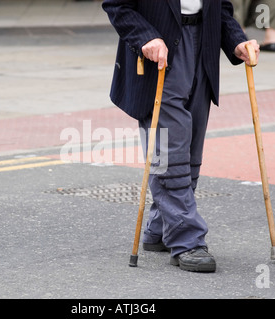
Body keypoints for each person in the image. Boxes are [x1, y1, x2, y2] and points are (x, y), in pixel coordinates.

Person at [102, 0, 259, 273]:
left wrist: (236, 41)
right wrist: (145, 36)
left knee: (190, 151)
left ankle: (161, 227)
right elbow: (117, 5)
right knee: (171, 153)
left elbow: (219, 8)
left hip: (203, 47)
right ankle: (187, 240)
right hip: (159, 51)